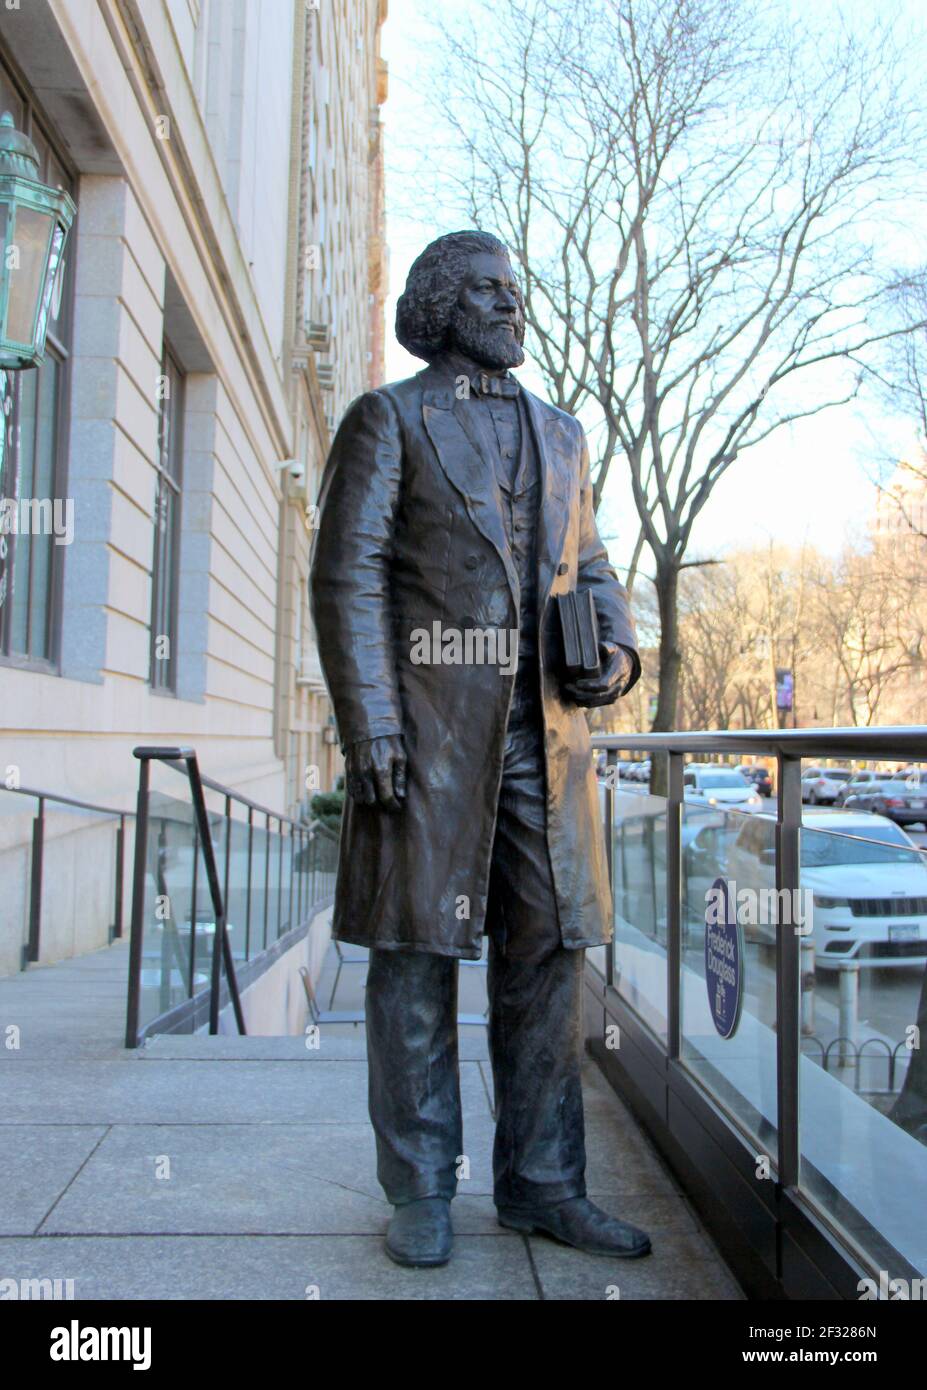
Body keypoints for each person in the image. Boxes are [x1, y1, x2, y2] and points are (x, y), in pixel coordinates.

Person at [310, 229, 650, 1268]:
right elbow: (347, 576)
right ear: (444, 307)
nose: (513, 307)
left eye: (517, 292)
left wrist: (618, 654)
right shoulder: (389, 419)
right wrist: (369, 721)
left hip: (543, 745)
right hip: (427, 736)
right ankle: (419, 1189)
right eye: (492, 292)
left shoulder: (562, 432)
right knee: (415, 963)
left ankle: (544, 1184)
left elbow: (589, 565)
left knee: (546, 960)